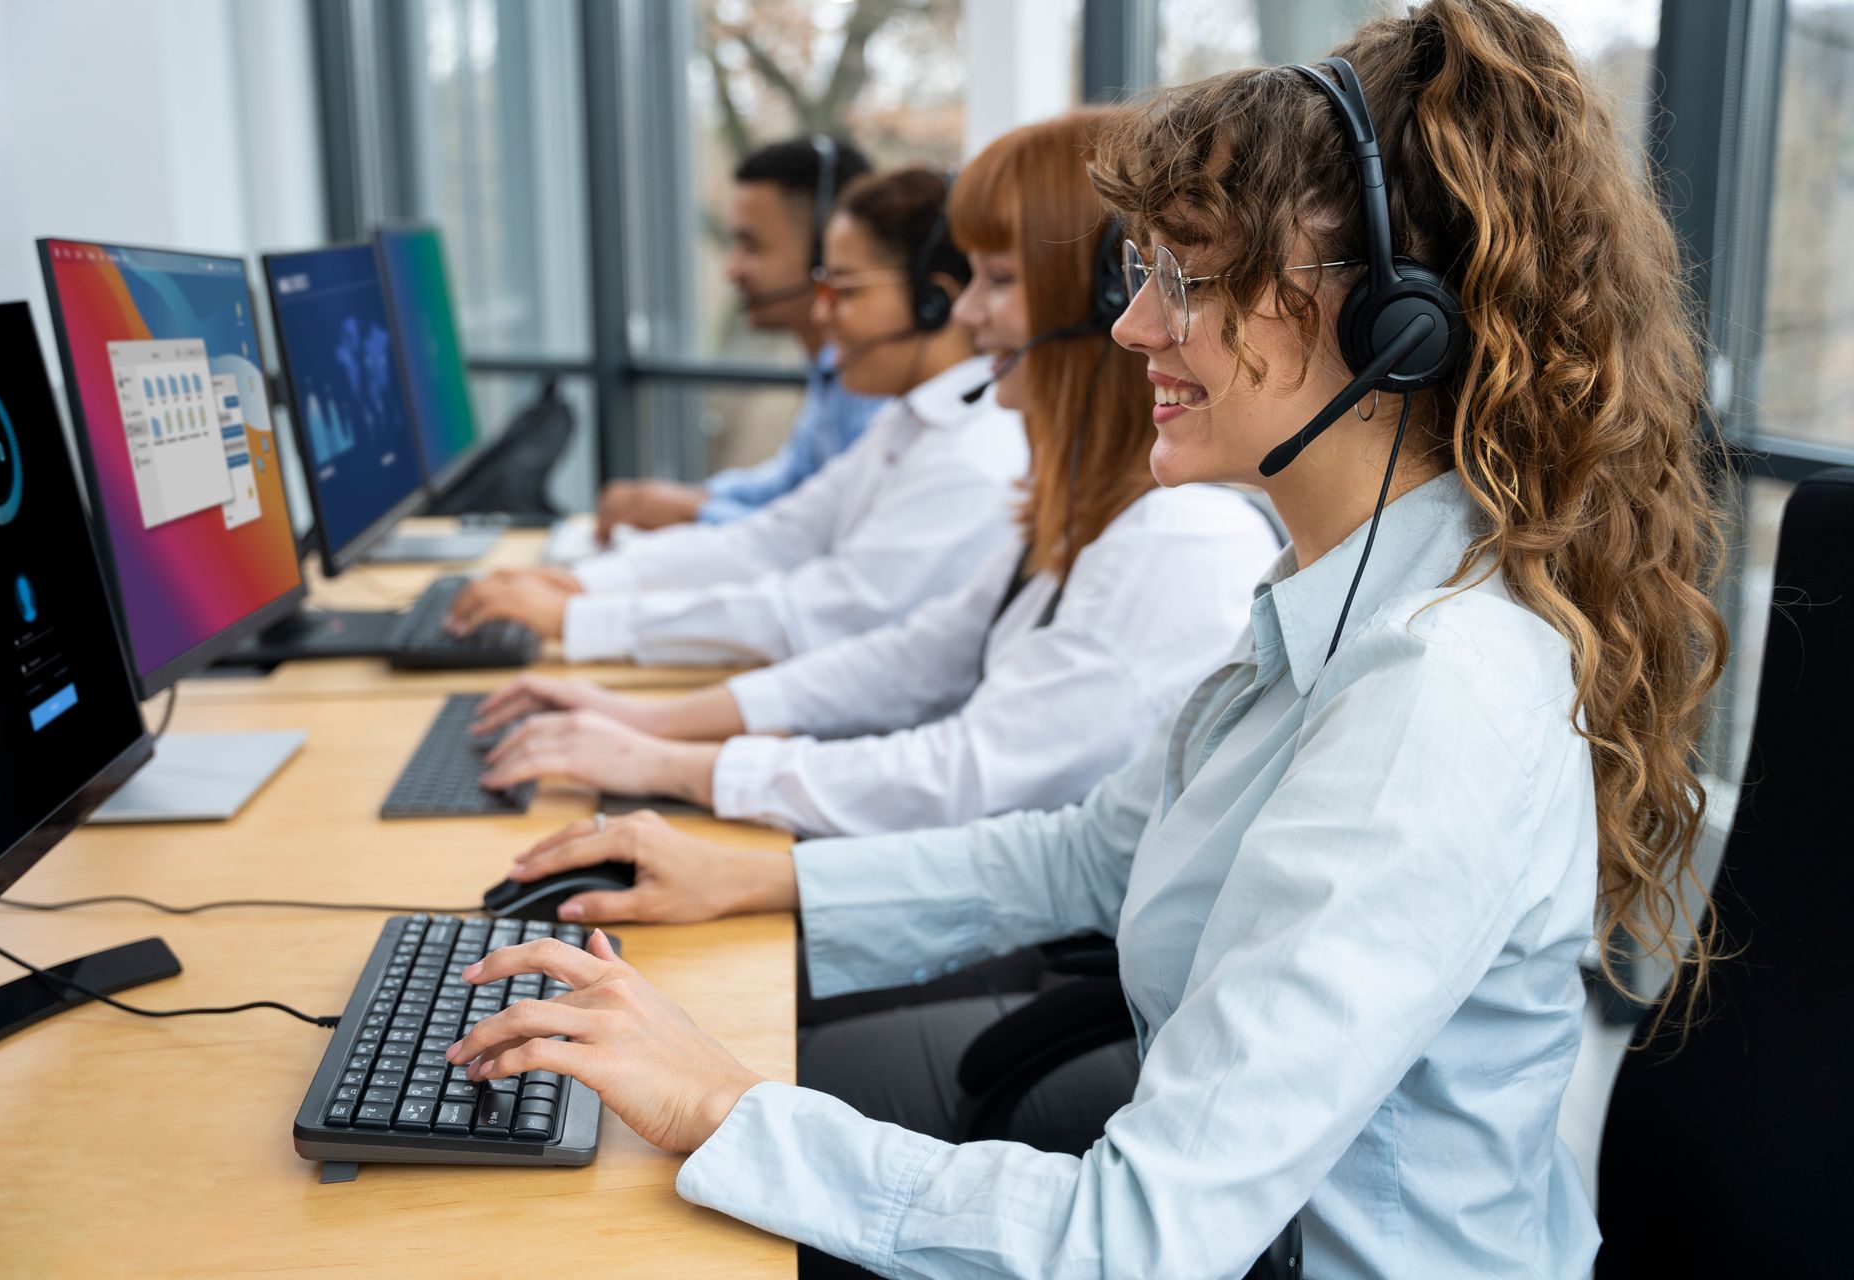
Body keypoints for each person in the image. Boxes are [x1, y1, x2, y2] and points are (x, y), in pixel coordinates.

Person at [442, 2, 1729, 1275]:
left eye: (1193, 279)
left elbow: (1136, 1239)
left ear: (1397, 323)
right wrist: (752, 881)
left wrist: (723, 1106)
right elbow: (1090, 850)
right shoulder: (1332, 595)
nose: (1134, 328)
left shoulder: (1432, 694)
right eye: (1142, 274)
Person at [466, 111, 1281, 839]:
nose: (965, 314)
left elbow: (965, 766)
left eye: (996, 282)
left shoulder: (1167, 540)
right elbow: (912, 655)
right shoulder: (1079, 509)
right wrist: (644, 723)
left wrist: (672, 760)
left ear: (1097, 308)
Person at [445, 168, 1028, 666]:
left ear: (935, 303)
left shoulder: (972, 458)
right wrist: (582, 585)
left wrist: (581, 617)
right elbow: (770, 541)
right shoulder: (909, 421)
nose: (823, 317)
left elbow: (822, 613)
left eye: (844, 291)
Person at [583, 136, 886, 545]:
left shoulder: (877, 386)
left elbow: (825, 539)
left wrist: (695, 510)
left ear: (825, 252)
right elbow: (790, 483)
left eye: (751, 245)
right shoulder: (830, 367)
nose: (731, 269)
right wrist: (689, 498)